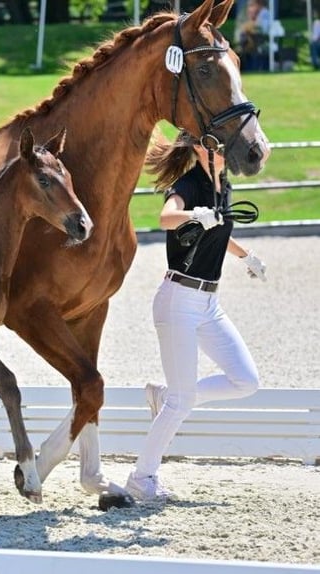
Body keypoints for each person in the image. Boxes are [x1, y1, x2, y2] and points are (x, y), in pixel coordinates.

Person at [124, 131, 266, 502]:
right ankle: (142, 478)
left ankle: (167, 396)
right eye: (222, 146)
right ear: (203, 150)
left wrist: (245, 256)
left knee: (245, 380)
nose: (229, 152)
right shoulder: (189, 183)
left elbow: (220, 230)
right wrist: (194, 214)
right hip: (178, 300)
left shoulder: (224, 187)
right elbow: (166, 217)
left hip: (208, 304)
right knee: (182, 402)